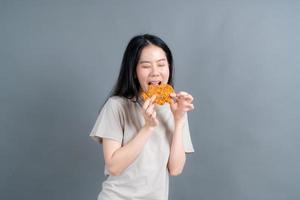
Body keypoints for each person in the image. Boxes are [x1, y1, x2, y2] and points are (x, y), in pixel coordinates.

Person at [90, 34, 195, 200]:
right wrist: (148, 127)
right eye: (146, 66)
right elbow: (113, 167)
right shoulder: (116, 106)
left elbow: (175, 169)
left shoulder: (176, 108)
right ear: (134, 72)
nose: (155, 72)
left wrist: (179, 119)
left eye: (161, 64)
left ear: (169, 67)